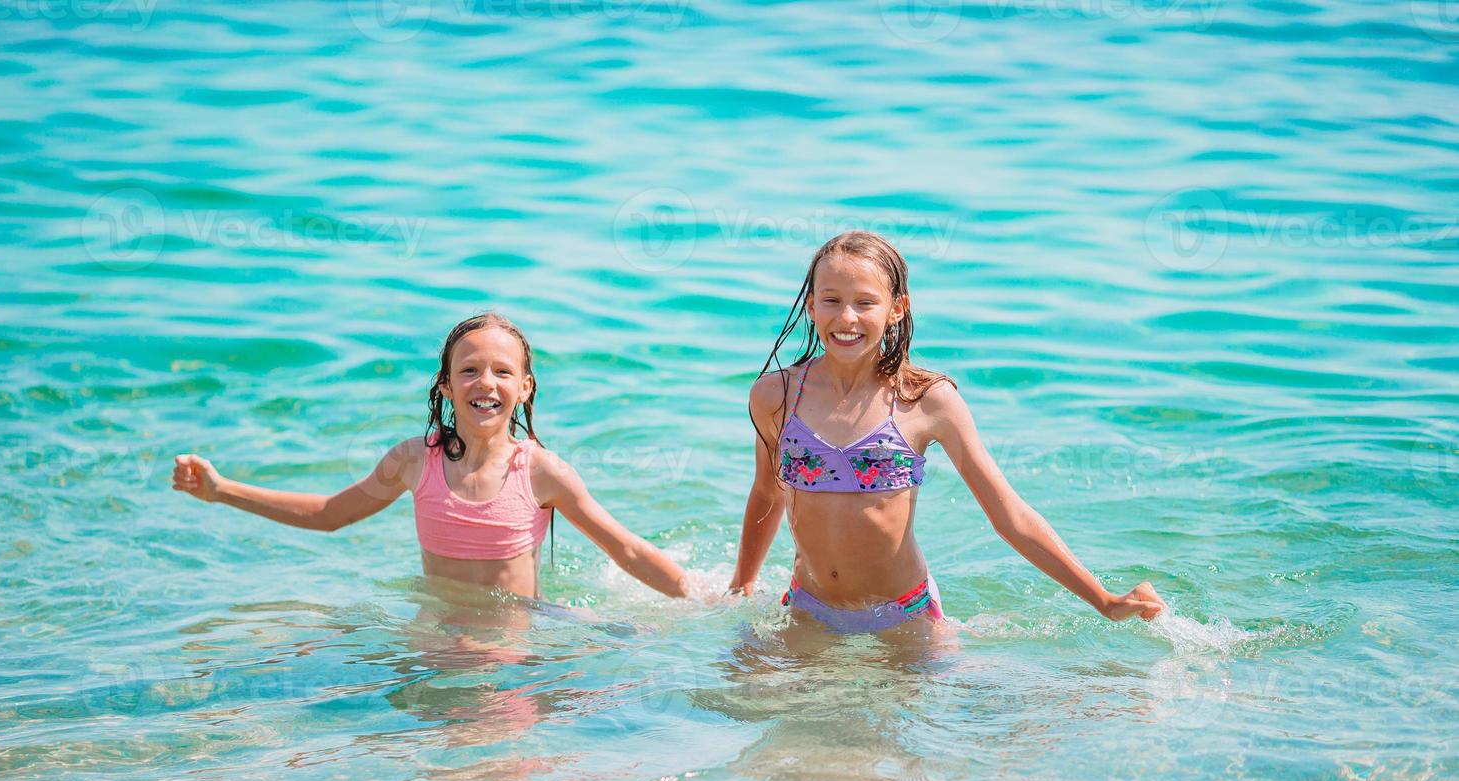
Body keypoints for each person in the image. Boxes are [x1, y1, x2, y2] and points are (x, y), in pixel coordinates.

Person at [727, 231, 1164, 633]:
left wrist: (1103, 601)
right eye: (831, 300)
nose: (847, 317)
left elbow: (1008, 514)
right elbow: (767, 494)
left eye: (865, 302)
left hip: (902, 615)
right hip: (809, 609)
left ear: (897, 309)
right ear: (810, 305)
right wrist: (741, 586)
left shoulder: (926, 400)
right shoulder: (777, 395)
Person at [172, 312, 689, 600]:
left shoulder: (540, 471)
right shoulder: (413, 462)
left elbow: (627, 551)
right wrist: (222, 491)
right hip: (434, 648)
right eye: (469, 370)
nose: (485, 383)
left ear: (525, 388)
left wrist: (702, 602)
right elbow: (331, 515)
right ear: (444, 385)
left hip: (517, 653)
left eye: (503, 372)